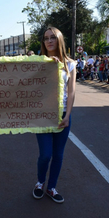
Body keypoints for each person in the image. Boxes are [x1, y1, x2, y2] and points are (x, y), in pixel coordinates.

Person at [33, 27, 76, 203]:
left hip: (63, 114)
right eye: (46, 38)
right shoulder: (37, 62)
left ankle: (51, 187)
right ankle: (39, 183)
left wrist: (67, 116)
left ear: (59, 39)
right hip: (43, 114)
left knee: (58, 155)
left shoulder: (71, 64)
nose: (49, 41)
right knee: (45, 154)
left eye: (52, 37)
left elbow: (71, 92)